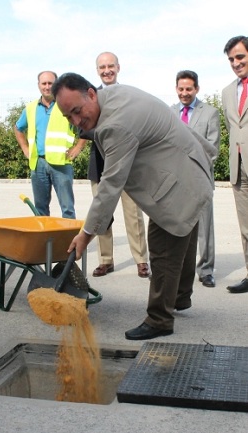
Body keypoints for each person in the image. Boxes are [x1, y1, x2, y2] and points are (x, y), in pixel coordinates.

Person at [52, 73, 216, 340]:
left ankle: (160, 319)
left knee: (163, 246)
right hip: (190, 170)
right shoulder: (113, 94)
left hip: (179, 181)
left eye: (77, 111)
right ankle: (181, 297)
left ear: (91, 94)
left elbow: (110, 186)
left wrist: (86, 234)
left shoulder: (116, 124)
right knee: (184, 233)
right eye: (68, 117)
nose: (76, 121)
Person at [88, 52, 149, 278]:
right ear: (97, 71)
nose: (107, 70)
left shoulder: (129, 95)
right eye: (102, 67)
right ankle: (105, 260)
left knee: (133, 214)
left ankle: (141, 260)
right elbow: (83, 127)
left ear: (118, 67)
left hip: (128, 164)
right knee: (101, 213)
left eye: (110, 66)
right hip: (100, 164)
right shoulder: (90, 97)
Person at [14, 71, 86, 219]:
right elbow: (18, 128)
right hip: (38, 163)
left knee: (67, 209)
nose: (47, 87)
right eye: (44, 83)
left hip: (61, 163)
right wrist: (25, 148)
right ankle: (44, 242)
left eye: (50, 83)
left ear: (57, 84)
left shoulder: (66, 105)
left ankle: (69, 241)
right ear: (38, 85)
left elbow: (85, 126)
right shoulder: (31, 108)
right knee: (40, 210)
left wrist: (78, 147)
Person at [172, 70, 220, 288]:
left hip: (200, 178)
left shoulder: (210, 113)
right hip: (176, 181)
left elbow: (213, 149)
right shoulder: (170, 112)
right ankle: (177, 269)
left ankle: (206, 270)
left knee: (204, 227)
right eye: (181, 89)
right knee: (175, 226)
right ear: (176, 89)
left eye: (188, 89)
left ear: (197, 89)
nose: (184, 93)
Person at [222, 36, 248, 294]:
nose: (235, 62)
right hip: (238, 166)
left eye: (240, 57)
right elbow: (234, 128)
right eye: (231, 59)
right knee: (245, 226)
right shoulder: (228, 92)